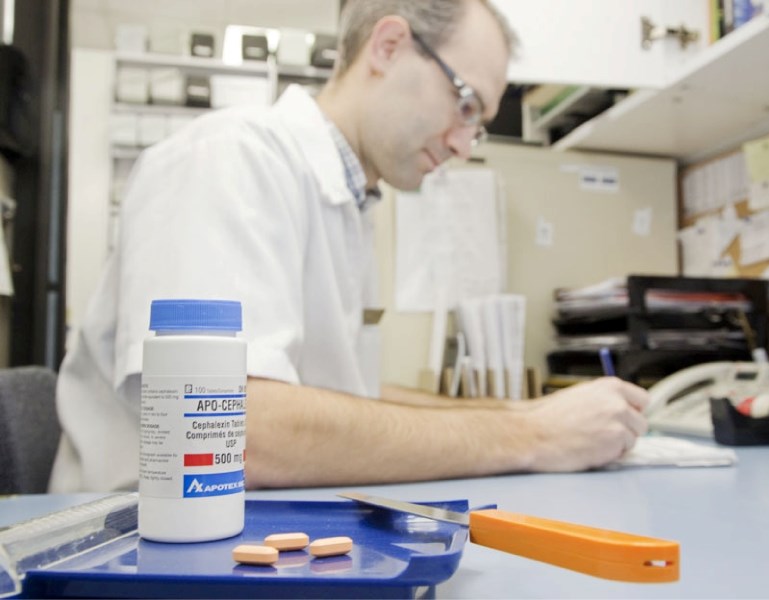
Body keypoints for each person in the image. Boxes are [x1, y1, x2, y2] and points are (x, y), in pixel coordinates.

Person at [49, 0, 649, 493]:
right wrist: (535, 440)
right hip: (136, 551)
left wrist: (523, 415)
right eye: (465, 104)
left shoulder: (351, 200)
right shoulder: (229, 160)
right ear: (388, 46)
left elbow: (347, 402)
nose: (467, 144)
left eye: (480, 122)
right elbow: (231, 430)